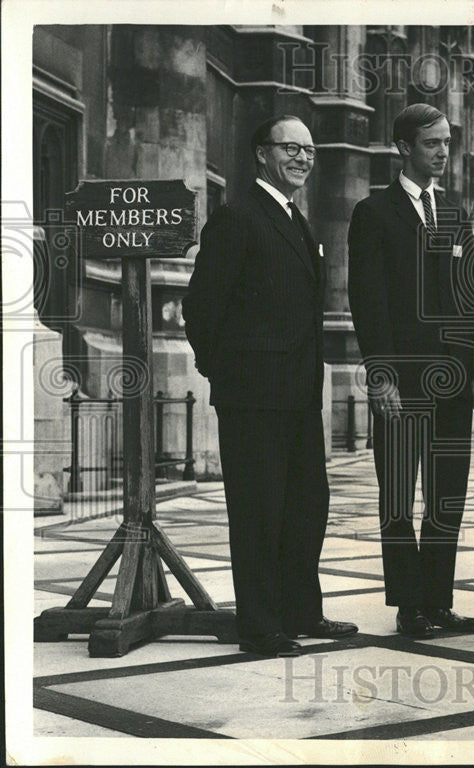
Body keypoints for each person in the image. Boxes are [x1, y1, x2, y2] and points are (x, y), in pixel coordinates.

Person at [184, 115, 358, 657]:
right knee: (259, 513)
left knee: (307, 506)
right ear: (262, 154)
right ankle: (260, 628)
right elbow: (200, 307)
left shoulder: (292, 217)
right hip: (254, 397)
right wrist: (227, 372)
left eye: (309, 150)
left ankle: (301, 612)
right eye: (291, 148)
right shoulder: (238, 216)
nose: (303, 158)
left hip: (301, 394)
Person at [347, 104, 474, 639]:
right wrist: (380, 375)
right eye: (432, 143)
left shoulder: (454, 213)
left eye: (448, 142)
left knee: (446, 496)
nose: (443, 152)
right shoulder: (374, 213)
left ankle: (438, 600)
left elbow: (469, 293)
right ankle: (409, 607)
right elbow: (369, 301)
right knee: (398, 498)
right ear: (404, 147)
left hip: (453, 382)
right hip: (402, 385)